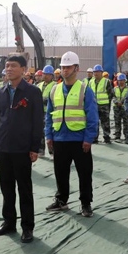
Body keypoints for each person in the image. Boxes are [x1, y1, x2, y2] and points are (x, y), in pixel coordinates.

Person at [0, 55, 43, 243]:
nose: (9, 69)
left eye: (13, 66)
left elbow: (38, 121)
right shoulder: (0, 92)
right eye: (7, 66)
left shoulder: (32, 92)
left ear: (23, 69)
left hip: (22, 149)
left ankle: (27, 227)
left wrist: (35, 147)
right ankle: (9, 222)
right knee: (7, 188)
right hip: (4, 148)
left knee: (24, 190)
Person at [45, 52, 99, 217]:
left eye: (68, 67)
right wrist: (48, 136)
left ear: (77, 69)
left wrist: (89, 139)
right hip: (59, 138)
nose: (65, 70)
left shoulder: (85, 90)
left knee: (84, 173)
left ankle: (86, 203)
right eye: (62, 67)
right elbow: (49, 116)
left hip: (79, 140)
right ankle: (61, 200)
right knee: (60, 172)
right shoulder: (55, 90)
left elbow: (92, 117)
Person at [87, 64, 114, 143]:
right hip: (94, 106)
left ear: (101, 72)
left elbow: (110, 93)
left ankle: (106, 137)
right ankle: (95, 138)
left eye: (98, 72)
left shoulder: (106, 82)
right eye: (95, 72)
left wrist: (106, 103)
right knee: (95, 122)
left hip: (104, 105)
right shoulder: (91, 82)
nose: (96, 73)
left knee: (105, 122)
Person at [37, 65, 55, 156]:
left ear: (52, 76)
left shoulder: (55, 86)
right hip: (39, 112)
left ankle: (52, 152)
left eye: (48, 74)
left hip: (50, 112)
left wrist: (43, 100)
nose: (46, 76)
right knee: (40, 131)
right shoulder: (38, 85)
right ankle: (41, 150)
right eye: (44, 74)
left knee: (50, 131)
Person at [113, 73, 128, 142]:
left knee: (126, 122)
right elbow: (113, 96)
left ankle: (127, 137)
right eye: (119, 80)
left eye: (122, 80)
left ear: (125, 81)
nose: (121, 82)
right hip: (116, 108)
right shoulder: (115, 89)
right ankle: (117, 136)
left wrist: (121, 102)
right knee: (117, 122)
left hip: (124, 108)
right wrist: (116, 102)